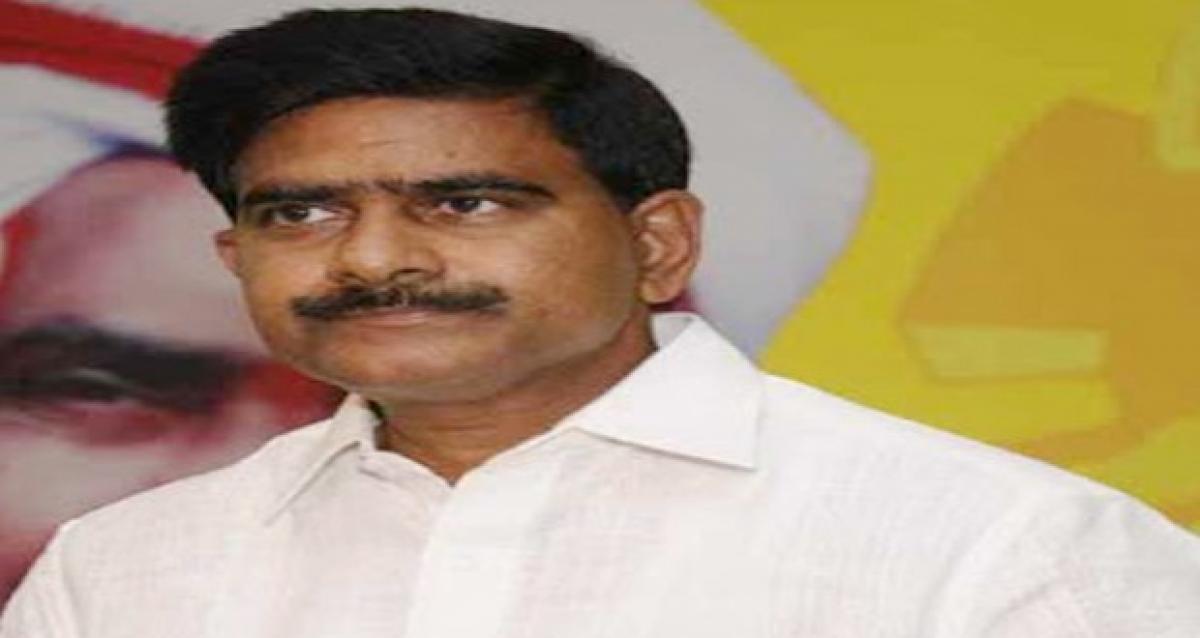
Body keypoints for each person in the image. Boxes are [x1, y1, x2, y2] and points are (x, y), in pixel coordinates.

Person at [3, 7, 1198, 637]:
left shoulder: (997, 545)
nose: (372, 257)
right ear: (241, 259)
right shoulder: (128, 567)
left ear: (659, 243)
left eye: (465, 202)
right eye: (301, 211)